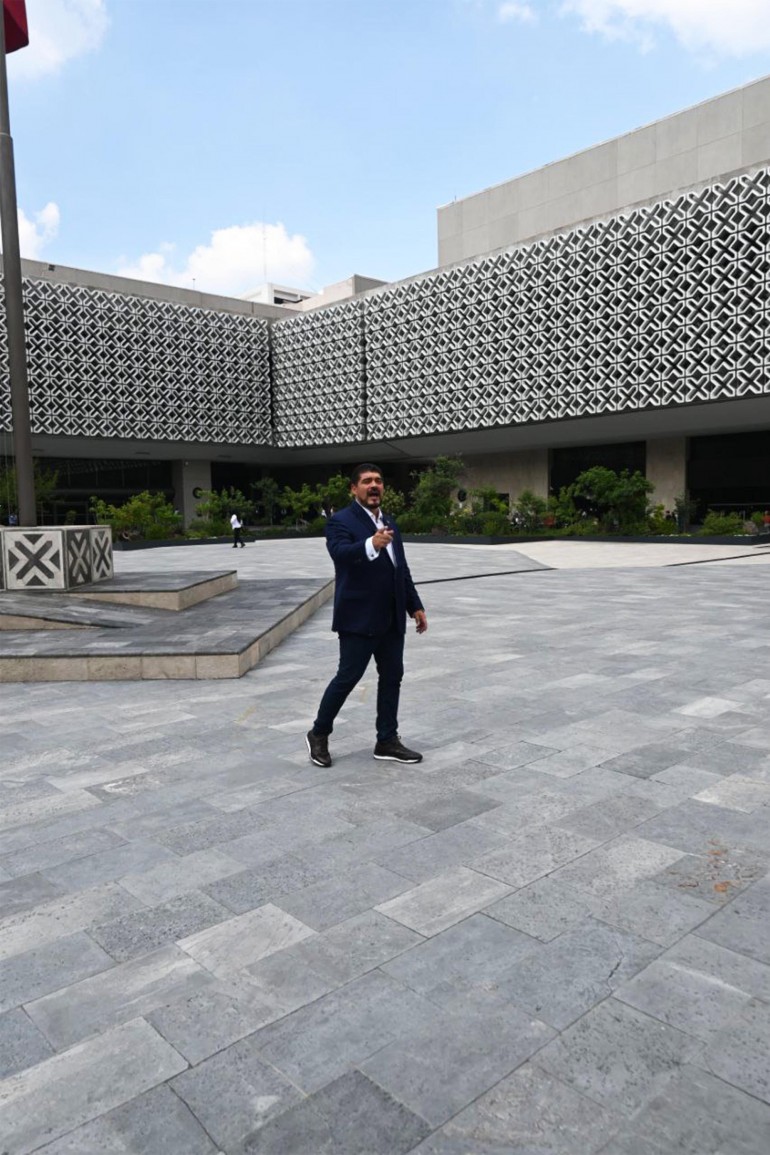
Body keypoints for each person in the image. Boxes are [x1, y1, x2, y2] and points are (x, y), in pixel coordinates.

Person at [306, 463, 427, 768]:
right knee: (348, 677)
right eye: (367, 481)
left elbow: (401, 568)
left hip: (391, 618)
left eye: (378, 481)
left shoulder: (389, 521)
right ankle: (319, 733)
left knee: (392, 677)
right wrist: (370, 544)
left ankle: (387, 740)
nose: (374, 485)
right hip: (358, 617)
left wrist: (415, 605)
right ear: (354, 489)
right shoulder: (340, 521)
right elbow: (341, 554)